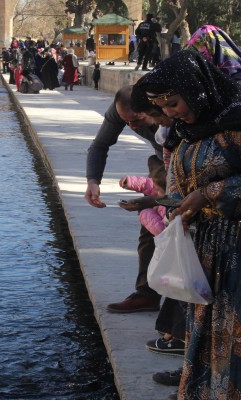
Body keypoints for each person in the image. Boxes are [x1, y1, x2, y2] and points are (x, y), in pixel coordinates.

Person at [136, 48, 241, 399]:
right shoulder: (192, 130)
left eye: (173, 103)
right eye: (163, 108)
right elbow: (187, 185)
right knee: (208, 326)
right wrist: (160, 202)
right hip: (207, 248)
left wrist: (212, 193)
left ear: (196, 89)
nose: (170, 114)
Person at [85, 86, 163, 313]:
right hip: (162, 163)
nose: (132, 127)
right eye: (126, 121)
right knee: (150, 227)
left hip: (190, 165)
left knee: (178, 231)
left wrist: (152, 200)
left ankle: (182, 304)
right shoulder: (123, 108)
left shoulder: (172, 112)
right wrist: (93, 181)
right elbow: (100, 145)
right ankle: (146, 294)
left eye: (137, 120)